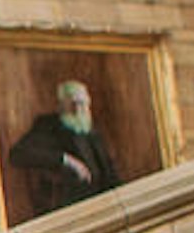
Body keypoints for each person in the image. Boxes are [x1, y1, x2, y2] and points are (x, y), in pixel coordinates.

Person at [6, 76, 124, 219]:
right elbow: (18, 154)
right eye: (73, 103)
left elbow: (110, 173)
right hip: (65, 210)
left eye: (82, 104)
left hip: (99, 207)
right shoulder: (48, 125)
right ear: (62, 105)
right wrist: (66, 160)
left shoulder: (93, 132)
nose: (78, 109)